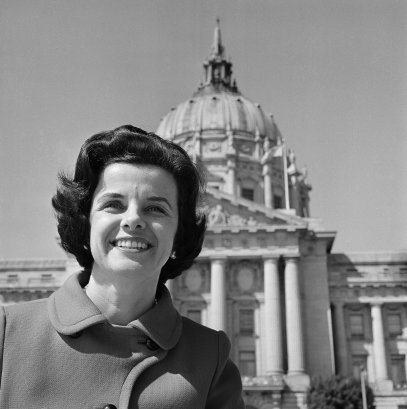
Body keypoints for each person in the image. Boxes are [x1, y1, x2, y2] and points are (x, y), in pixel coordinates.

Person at [0, 125, 245, 409]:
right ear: (86, 222)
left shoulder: (211, 360)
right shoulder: (8, 335)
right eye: (114, 204)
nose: (133, 220)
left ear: (179, 233)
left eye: (156, 208)